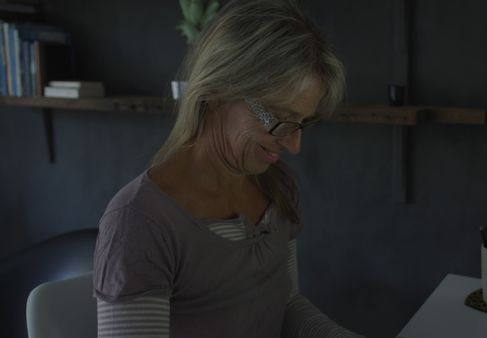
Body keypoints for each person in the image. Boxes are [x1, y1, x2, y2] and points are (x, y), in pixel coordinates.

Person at [93, 0, 363, 337]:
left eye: (301, 123)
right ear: (219, 90)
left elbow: (285, 304)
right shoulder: (139, 221)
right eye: (279, 120)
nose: (294, 146)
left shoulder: (275, 187)